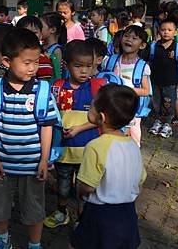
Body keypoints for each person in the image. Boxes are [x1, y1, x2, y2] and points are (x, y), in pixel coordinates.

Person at [0, 28, 59, 249]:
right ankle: (2, 240)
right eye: (27, 63)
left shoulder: (42, 91)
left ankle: (35, 244)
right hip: (2, 164)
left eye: (36, 61)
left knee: (34, 208)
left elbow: (47, 128)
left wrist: (44, 160)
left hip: (33, 166)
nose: (33, 68)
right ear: (6, 61)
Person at [69, 85, 146, 249]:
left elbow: (87, 187)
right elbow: (140, 180)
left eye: (93, 103)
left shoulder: (96, 146)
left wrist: (79, 191)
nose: (90, 104)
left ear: (101, 118)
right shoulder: (133, 145)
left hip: (100, 213)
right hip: (128, 213)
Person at [44, 40, 99, 229]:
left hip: (87, 151)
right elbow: (50, 116)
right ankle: (61, 212)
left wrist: (79, 128)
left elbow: (102, 119)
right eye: (78, 66)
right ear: (66, 66)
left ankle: (82, 218)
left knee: (84, 187)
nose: (84, 71)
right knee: (63, 185)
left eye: (89, 66)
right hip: (63, 152)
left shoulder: (96, 88)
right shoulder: (57, 87)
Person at [101, 25, 151, 147]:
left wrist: (124, 90)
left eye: (134, 38)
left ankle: (132, 158)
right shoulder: (110, 60)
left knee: (131, 138)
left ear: (142, 45)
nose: (129, 39)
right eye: (126, 36)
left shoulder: (142, 67)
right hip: (111, 106)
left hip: (131, 110)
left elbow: (145, 91)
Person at [148, 19, 178, 139]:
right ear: (159, 31)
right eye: (163, 30)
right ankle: (158, 121)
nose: (166, 32)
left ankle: (167, 124)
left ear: (175, 32)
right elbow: (148, 62)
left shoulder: (177, 48)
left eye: (169, 30)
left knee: (168, 104)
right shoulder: (154, 46)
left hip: (171, 83)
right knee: (156, 103)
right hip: (155, 81)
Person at [41, 12, 64, 82]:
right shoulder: (41, 47)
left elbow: (57, 74)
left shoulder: (56, 50)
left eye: (41, 27)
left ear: (53, 29)